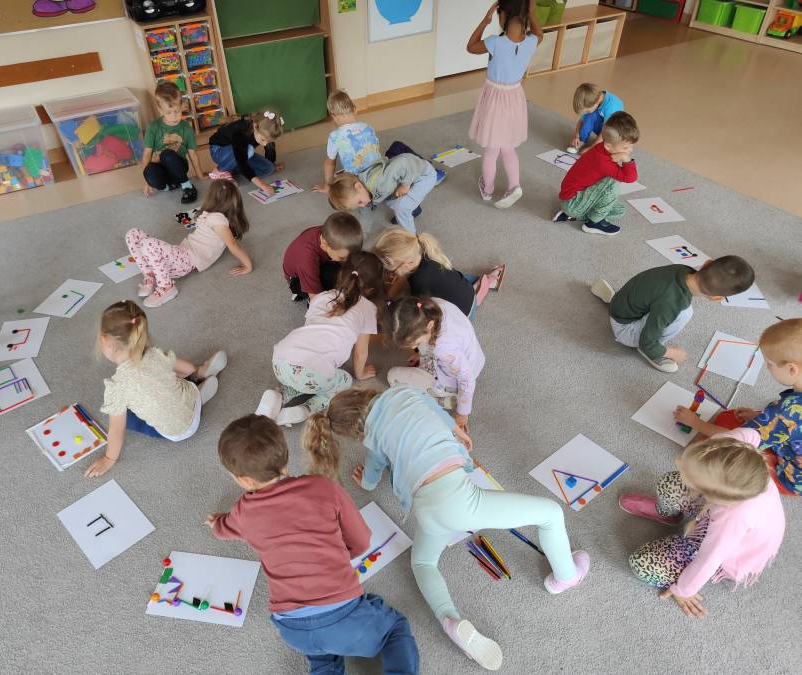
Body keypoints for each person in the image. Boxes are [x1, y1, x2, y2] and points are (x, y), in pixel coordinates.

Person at [303, 386, 589, 670]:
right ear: (362, 392)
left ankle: (449, 620)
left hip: (425, 508)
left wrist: (365, 482)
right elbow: (437, 412)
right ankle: (565, 577)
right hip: (462, 502)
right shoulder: (404, 392)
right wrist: (458, 431)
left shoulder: (373, 440)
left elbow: (371, 477)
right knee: (551, 514)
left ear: (356, 431)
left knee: (423, 563)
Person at [206, 414, 420, 673]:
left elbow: (224, 529)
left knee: (322, 655)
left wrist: (217, 523)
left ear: (243, 480)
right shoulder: (323, 487)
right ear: (285, 457)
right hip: (344, 619)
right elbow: (362, 541)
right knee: (395, 628)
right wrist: (341, 554)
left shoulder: (243, 512)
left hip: (292, 629)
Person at [622, 428, 785, 619]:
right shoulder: (731, 447)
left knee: (642, 565)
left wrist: (684, 590)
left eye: (692, 476)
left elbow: (710, 559)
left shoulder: (733, 518)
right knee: (669, 482)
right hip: (720, 510)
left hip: (731, 548)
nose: (678, 462)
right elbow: (753, 434)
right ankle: (667, 514)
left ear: (713, 495)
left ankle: (680, 565)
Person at [84, 301, 226, 478]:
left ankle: (199, 394)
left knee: (125, 418)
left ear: (106, 341)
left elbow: (116, 430)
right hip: (190, 399)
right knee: (170, 375)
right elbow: (186, 367)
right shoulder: (153, 354)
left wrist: (109, 459)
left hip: (177, 433)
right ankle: (201, 377)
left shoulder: (116, 388)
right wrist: (194, 372)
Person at [673, 318, 802, 496]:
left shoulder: (784, 412)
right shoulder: (785, 412)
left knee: (712, 453)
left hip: (791, 478)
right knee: (728, 417)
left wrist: (695, 422)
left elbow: (734, 440)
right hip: (793, 442)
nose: (767, 367)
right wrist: (761, 419)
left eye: (769, 364)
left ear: (792, 369)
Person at [264, 252, 383, 427]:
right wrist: (361, 373)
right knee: (344, 381)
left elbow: (309, 327)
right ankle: (306, 409)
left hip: (280, 360)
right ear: (373, 287)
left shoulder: (322, 296)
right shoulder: (368, 309)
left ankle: (280, 394)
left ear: (341, 274)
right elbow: (360, 352)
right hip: (314, 372)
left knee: (303, 375)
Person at [590, 256, 755, 373]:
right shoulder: (674, 304)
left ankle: (613, 298)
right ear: (716, 298)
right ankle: (653, 351)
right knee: (685, 313)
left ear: (706, 263)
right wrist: (670, 353)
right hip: (624, 329)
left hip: (622, 302)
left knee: (659, 301)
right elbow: (647, 340)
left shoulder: (681, 269)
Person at [126, 180, 252, 308]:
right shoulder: (209, 213)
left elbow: (233, 245)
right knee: (133, 233)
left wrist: (248, 266)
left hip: (187, 261)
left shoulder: (218, 220)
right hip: (180, 253)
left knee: (148, 244)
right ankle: (150, 274)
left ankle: (167, 287)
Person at [466, 0, 542, 209]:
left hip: (495, 98)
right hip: (515, 96)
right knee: (508, 146)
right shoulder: (531, 42)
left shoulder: (495, 42)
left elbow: (470, 47)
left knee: (492, 148)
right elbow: (539, 33)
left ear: (502, 16)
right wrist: (532, 13)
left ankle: (488, 190)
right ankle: (514, 185)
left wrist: (485, 21)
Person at [386, 296, 485, 433]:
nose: (412, 347)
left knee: (392, 376)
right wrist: (421, 353)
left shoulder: (442, 348)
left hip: (456, 379)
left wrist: (462, 414)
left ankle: (449, 399)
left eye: (415, 343)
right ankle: (426, 359)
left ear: (430, 325)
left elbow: (467, 379)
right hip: (473, 358)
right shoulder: (430, 306)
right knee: (424, 349)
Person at [373, 228, 504, 319]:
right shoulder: (424, 251)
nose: (390, 274)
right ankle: (480, 285)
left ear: (407, 264)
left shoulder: (418, 283)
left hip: (464, 313)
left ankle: (479, 292)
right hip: (462, 287)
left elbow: (423, 312)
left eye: (391, 271)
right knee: (449, 277)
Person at [554, 111, 640, 236]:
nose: (629, 151)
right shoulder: (603, 162)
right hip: (573, 202)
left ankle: (571, 215)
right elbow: (630, 178)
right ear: (608, 146)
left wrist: (622, 153)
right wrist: (626, 159)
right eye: (625, 148)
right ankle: (593, 223)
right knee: (613, 181)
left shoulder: (601, 148)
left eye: (631, 147)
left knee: (619, 210)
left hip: (573, 198)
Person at [328, 153, 436, 233]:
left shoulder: (380, 182)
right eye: (358, 205)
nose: (363, 205)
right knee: (390, 202)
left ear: (359, 186)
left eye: (360, 202)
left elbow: (403, 162)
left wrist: (405, 185)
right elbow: (365, 216)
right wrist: (360, 239)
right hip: (406, 176)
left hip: (424, 176)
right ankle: (414, 209)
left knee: (402, 207)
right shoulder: (360, 189)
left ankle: (411, 239)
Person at [141, 81, 204, 204]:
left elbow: (192, 153)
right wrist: (147, 182)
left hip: (179, 167)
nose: (174, 117)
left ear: (182, 106)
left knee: (167, 155)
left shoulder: (186, 128)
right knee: (149, 172)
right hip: (160, 170)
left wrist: (199, 175)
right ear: (160, 110)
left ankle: (187, 186)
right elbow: (147, 155)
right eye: (168, 113)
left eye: (177, 111)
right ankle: (168, 187)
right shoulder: (153, 127)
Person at [283, 213, 363, 302]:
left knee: (345, 271)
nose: (347, 261)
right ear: (324, 245)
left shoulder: (329, 233)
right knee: (334, 275)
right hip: (298, 281)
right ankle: (303, 294)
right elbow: (316, 299)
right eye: (342, 257)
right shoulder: (307, 260)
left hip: (312, 265)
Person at [314, 90, 382, 193]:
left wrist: (328, 186)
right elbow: (376, 149)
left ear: (333, 116)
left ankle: (330, 187)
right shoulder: (368, 127)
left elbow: (330, 163)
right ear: (355, 109)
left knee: (336, 176)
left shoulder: (335, 136)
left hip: (357, 183)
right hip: (379, 174)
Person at [208, 110, 285, 196]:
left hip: (241, 152)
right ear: (255, 127)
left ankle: (232, 169)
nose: (264, 144)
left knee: (269, 168)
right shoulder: (241, 132)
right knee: (250, 150)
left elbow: (269, 147)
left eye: (268, 141)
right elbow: (242, 161)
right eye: (263, 140)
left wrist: (271, 162)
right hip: (219, 152)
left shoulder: (265, 131)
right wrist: (263, 186)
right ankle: (219, 171)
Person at [568, 82, 624, 154]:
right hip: (604, 125)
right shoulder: (593, 99)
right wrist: (576, 136)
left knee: (607, 150)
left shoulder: (611, 107)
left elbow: (606, 131)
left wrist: (591, 149)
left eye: (587, 111)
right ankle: (582, 140)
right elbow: (581, 121)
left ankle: (600, 145)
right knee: (589, 116)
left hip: (615, 132)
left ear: (596, 103)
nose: (587, 113)